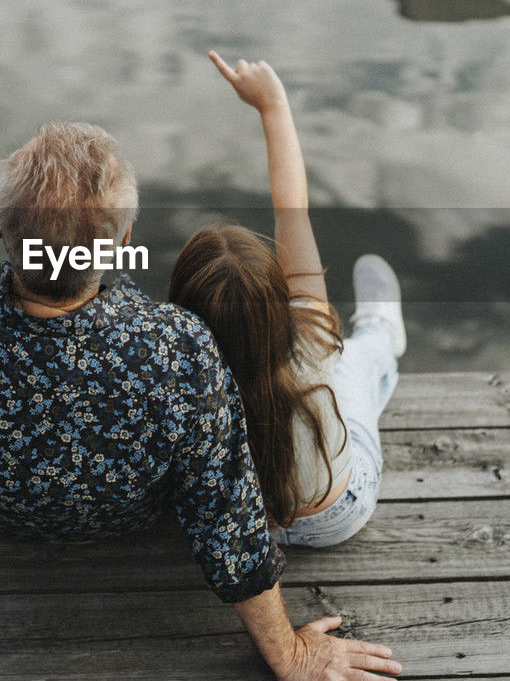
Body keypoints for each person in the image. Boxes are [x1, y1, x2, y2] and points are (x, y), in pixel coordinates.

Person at [0, 120, 403, 679]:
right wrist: (288, 653)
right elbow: (225, 519)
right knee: (346, 367)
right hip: (132, 523)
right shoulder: (178, 346)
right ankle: (381, 335)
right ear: (120, 244)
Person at [169, 52, 406, 547]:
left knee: (338, 378)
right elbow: (291, 213)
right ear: (278, 300)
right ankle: (382, 329)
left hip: (248, 530)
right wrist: (272, 105)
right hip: (339, 514)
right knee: (354, 366)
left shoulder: (173, 375)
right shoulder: (310, 340)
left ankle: (379, 336)